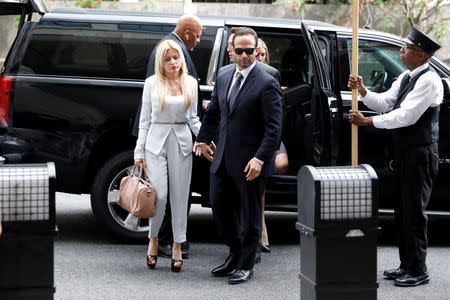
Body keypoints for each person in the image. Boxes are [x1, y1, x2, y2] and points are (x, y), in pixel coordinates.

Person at [348, 27, 443, 287]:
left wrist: (367, 122)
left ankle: (418, 269)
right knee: (402, 212)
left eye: (406, 48)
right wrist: (364, 91)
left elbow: (405, 116)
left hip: (420, 154)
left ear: (421, 54)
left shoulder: (429, 80)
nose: (401, 51)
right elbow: (386, 103)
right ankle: (406, 265)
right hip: (404, 153)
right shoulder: (406, 77)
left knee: (414, 212)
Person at [196, 27, 282, 284]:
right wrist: (201, 139)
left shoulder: (267, 81)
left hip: (251, 162)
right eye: (240, 50)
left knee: (251, 215)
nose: (246, 55)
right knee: (220, 209)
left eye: (251, 50)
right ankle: (234, 253)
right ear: (231, 51)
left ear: (256, 50)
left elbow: (274, 128)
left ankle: (246, 264)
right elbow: (214, 113)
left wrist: (259, 159)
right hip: (222, 157)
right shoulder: (223, 75)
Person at [132, 14, 202, 259]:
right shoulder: (152, 84)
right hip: (155, 142)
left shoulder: (191, 83)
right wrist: (138, 152)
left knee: (181, 197)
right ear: (161, 62)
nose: (173, 62)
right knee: (159, 195)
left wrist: (204, 140)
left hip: (182, 142)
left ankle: (177, 245)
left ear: (181, 59)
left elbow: (193, 118)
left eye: (176, 57)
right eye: (168, 59)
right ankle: (153, 239)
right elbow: (145, 120)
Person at [255, 37, 289, 253]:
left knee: (282, 163)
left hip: (270, 132)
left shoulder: (271, 75)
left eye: (262, 55)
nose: (259, 59)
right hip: (253, 134)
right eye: (256, 54)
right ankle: (261, 228)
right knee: (260, 177)